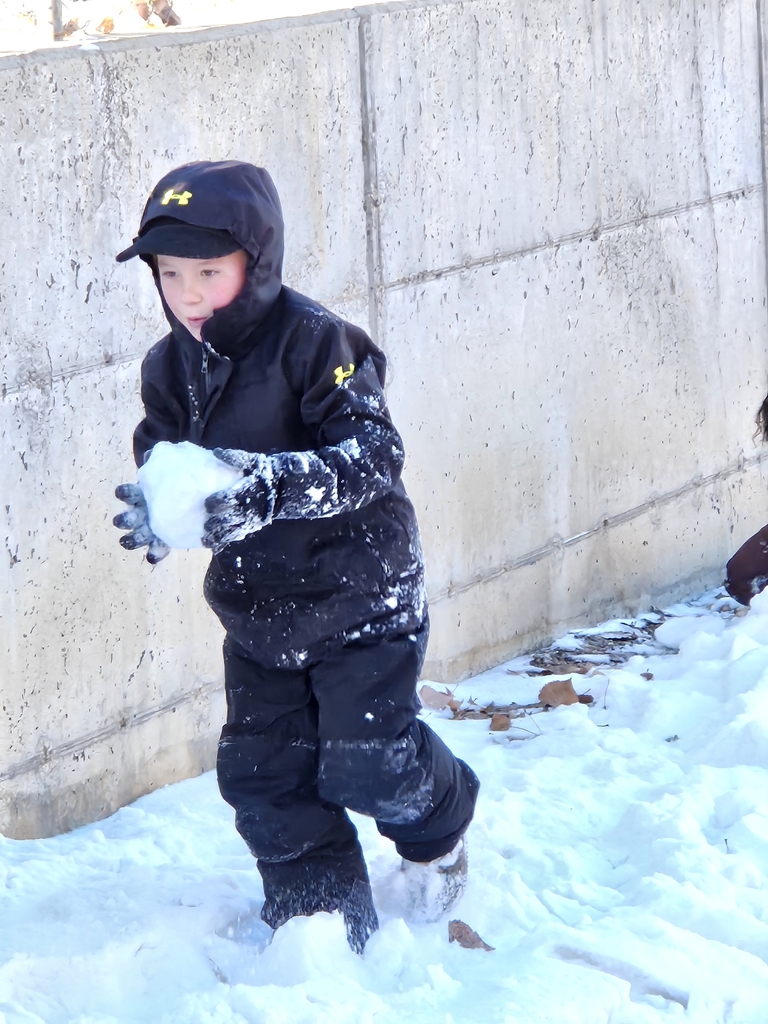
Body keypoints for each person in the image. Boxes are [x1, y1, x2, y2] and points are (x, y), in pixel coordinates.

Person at [113, 161, 479, 953]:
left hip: (361, 596)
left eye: (208, 271)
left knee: (370, 759)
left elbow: (375, 454)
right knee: (264, 776)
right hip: (260, 611)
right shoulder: (167, 368)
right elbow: (165, 457)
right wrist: (159, 510)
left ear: (257, 262)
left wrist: (269, 487)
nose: (187, 292)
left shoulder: (316, 343)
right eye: (170, 273)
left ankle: (441, 828)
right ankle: (321, 928)